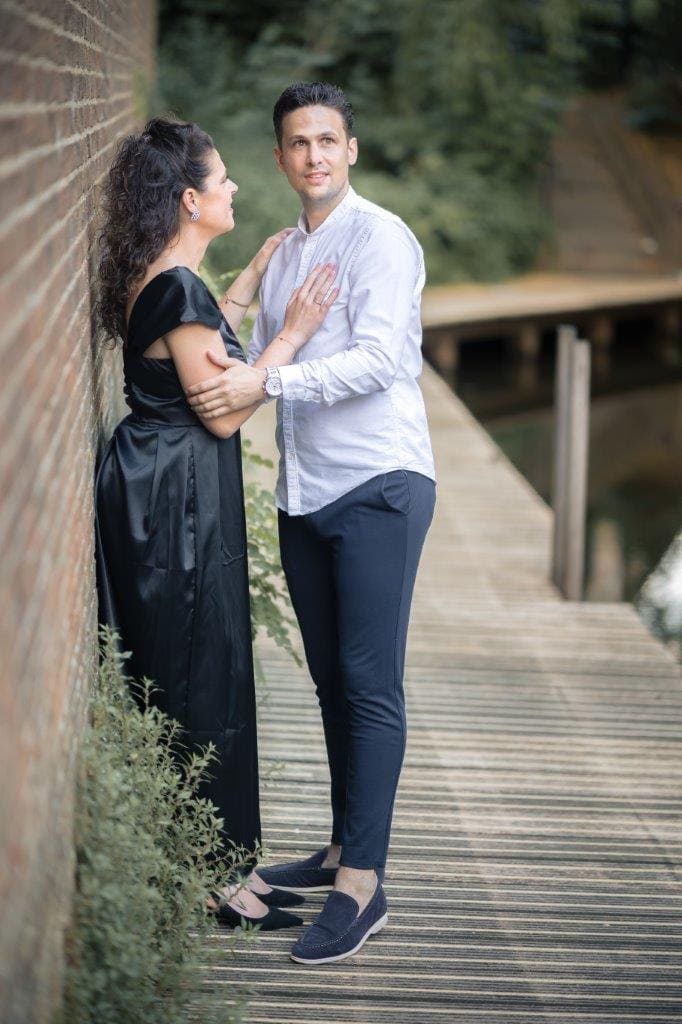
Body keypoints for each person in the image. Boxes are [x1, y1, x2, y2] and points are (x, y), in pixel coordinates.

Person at [184, 83, 436, 964]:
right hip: (307, 494)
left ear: (351, 150)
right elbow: (242, 357)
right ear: (281, 157)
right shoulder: (288, 251)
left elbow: (381, 359)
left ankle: (362, 885)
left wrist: (270, 379)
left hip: (379, 483)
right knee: (332, 681)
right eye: (298, 143)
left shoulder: (382, 239)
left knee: (370, 683)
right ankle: (338, 847)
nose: (314, 156)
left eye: (328, 140)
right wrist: (250, 291)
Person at [94, 115, 338, 931]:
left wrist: (253, 276)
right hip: (178, 500)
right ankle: (207, 876)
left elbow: (202, 344)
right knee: (199, 671)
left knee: (200, 665)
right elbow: (224, 410)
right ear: (189, 199)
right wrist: (292, 335)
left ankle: (223, 861)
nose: (234, 187)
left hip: (167, 482)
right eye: (223, 178)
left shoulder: (169, 279)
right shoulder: (176, 287)